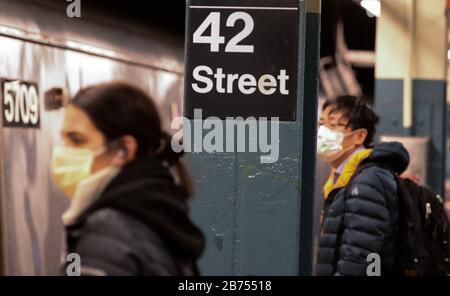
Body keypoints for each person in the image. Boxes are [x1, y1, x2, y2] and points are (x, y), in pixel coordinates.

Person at [50, 81, 205, 276]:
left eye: (77, 139)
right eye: (63, 139)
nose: (63, 151)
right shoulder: (159, 211)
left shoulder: (108, 228)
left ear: (125, 150)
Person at [315, 95, 410, 276]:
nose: (322, 132)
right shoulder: (343, 178)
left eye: (333, 125)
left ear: (359, 135)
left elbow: (361, 254)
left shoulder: (368, 180)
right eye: (321, 124)